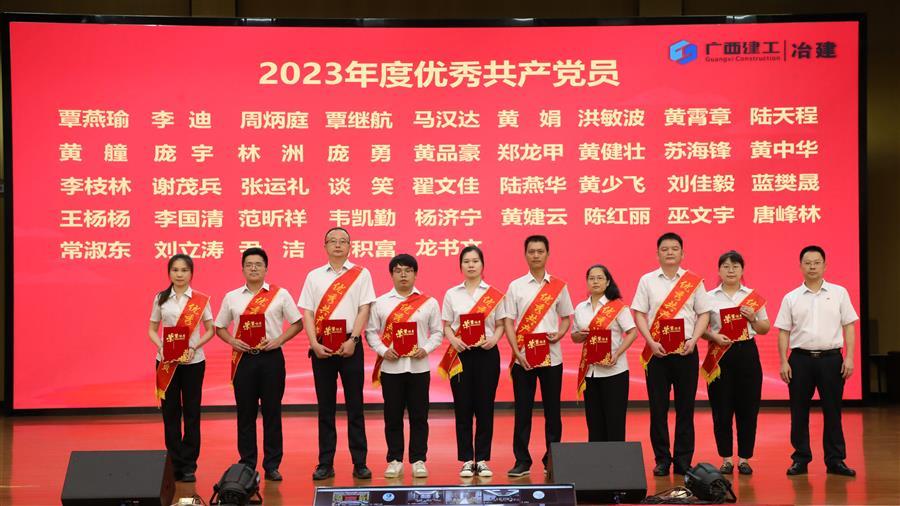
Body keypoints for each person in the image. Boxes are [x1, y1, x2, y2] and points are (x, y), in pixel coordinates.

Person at [215, 247, 303, 481]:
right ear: (243, 268)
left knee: (272, 412)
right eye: (249, 264)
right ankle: (247, 464)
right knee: (245, 414)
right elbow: (219, 327)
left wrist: (278, 341)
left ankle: (272, 465)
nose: (253, 268)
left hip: (271, 359)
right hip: (244, 359)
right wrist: (232, 341)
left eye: (258, 264)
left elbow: (297, 323)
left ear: (266, 268)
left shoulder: (280, 294)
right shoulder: (232, 297)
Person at [632, 232, 712, 476]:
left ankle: (683, 460)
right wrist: (650, 341)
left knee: (685, 409)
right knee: (658, 410)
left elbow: (704, 313)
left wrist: (694, 339)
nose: (669, 252)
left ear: (682, 253)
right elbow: (639, 313)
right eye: (664, 249)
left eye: (674, 248)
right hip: (657, 352)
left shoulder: (693, 281)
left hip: (687, 351)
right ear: (657, 254)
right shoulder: (647, 280)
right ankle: (662, 460)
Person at [299, 228, 375, 480]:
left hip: (350, 344)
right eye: (333, 241)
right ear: (325, 245)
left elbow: (364, 308)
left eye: (343, 241)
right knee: (326, 407)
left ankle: (360, 462)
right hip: (322, 346)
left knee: (355, 406)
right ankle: (325, 463)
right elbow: (308, 312)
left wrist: (354, 339)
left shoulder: (361, 274)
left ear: (350, 246)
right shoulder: (314, 276)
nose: (338, 245)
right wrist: (314, 343)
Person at [775, 245, 858, 477]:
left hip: (831, 359)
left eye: (817, 262)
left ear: (825, 265)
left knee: (833, 411)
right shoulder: (791, 297)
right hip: (800, 360)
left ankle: (835, 460)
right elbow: (783, 332)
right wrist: (783, 361)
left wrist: (849, 357)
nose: (812, 267)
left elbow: (849, 326)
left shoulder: (839, 293)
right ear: (800, 266)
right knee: (798, 412)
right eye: (808, 263)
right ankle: (800, 459)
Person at [366, 254, 443, 479]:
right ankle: (395, 460)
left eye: (408, 270)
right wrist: (383, 351)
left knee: (419, 416)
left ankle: (419, 460)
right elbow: (371, 332)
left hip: (419, 367)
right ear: (391, 274)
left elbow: (437, 332)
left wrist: (426, 349)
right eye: (398, 270)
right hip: (391, 369)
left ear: (415, 274)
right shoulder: (380, 303)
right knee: (393, 416)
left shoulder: (428, 302)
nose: (403, 275)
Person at [503, 235, 574, 478]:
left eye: (540, 251)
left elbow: (566, 318)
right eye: (531, 251)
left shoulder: (558, 286)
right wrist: (516, 351)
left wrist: (560, 334)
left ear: (547, 254)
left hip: (552, 357)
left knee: (552, 411)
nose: (535, 255)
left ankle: (551, 460)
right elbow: (509, 321)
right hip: (523, 357)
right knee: (522, 411)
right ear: (525, 255)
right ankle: (522, 460)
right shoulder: (516, 286)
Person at [438, 245, 507, 478]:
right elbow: (447, 325)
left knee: (485, 407)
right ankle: (467, 459)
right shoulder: (452, 294)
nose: (471, 265)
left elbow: (500, 324)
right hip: (460, 355)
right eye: (466, 261)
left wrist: (493, 340)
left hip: (487, 354)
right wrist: (453, 340)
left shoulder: (494, 294)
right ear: (460, 266)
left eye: (475, 261)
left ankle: (483, 459)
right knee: (463, 407)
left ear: (482, 265)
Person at [701, 250, 770, 475]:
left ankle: (744, 459)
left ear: (742, 270)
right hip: (720, 354)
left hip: (747, 353)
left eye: (735, 266)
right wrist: (714, 336)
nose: (731, 270)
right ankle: (726, 459)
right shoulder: (708, 297)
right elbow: (700, 329)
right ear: (719, 270)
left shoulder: (752, 297)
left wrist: (753, 318)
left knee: (748, 408)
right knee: (721, 409)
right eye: (726, 266)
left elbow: (765, 328)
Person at [148, 254, 214, 482]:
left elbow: (211, 330)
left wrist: (195, 345)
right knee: (170, 413)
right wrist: (162, 347)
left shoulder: (200, 300)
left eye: (184, 270)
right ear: (169, 273)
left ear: (191, 273)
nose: (179, 274)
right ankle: (175, 462)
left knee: (192, 412)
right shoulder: (161, 298)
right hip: (166, 362)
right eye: (175, 270)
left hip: (193, 363)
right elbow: (152, 329)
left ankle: (189, 465)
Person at [571, 264, 637, 442]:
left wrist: (617, 354)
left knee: (615, 421)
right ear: (587, 282)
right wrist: (580, 335)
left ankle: (615, 459)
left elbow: (632, 332)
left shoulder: (618, 307)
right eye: (591, 278)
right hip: (590, 373)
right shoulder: (580, 308)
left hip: (614, 371)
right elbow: (574, 337)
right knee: (594, 423)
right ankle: (596, 458)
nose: (595, 281)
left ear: (608, 282)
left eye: (600, 278)